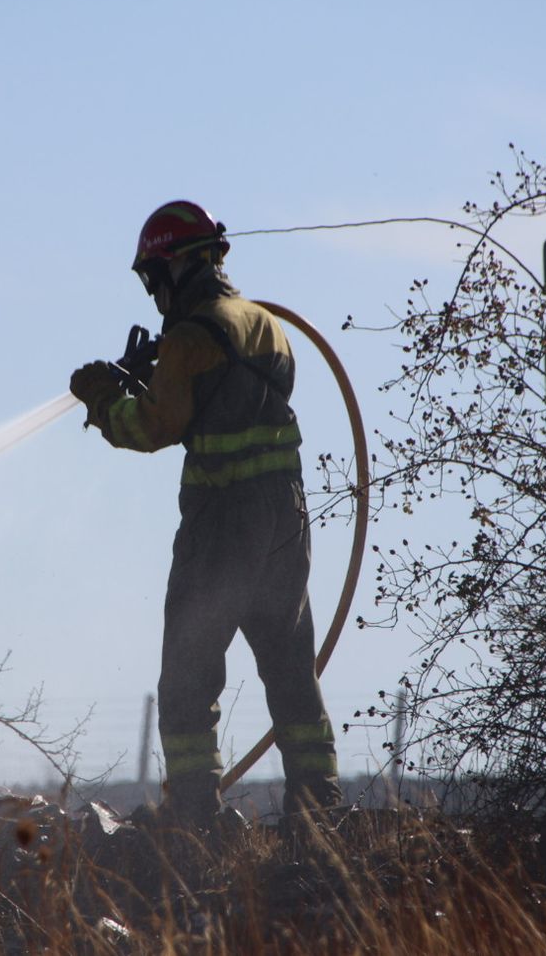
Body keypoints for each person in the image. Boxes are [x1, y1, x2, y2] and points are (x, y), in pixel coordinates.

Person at [69, 200, 341, 829]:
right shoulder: (267, 325)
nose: (153, 293)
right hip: (286, 524)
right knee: (291, 673)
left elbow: (155, 427)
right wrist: (156, 378)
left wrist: (107, 398)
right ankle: (320, 811)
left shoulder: (190, 339)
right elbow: (224, 407)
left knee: (188, 682)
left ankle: (194, 817)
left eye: (153, 277)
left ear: (176, 268)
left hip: (222, 525)